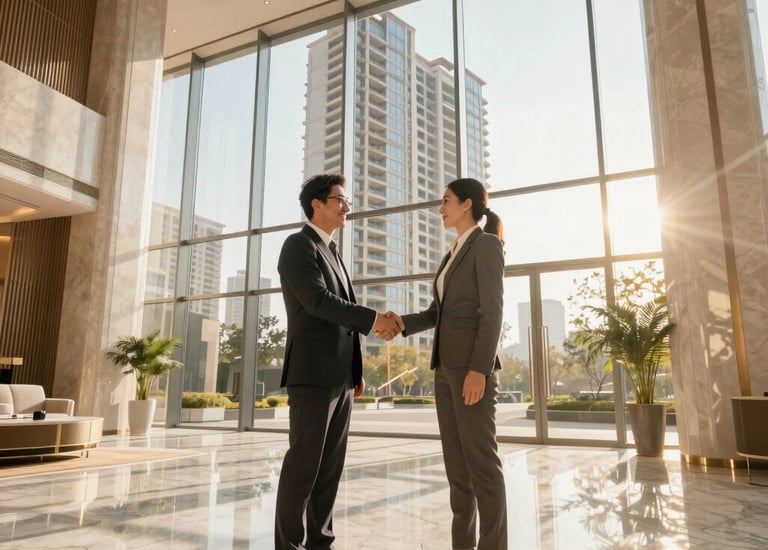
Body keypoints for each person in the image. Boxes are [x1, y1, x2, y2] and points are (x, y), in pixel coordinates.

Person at [274, 173, 401, 550]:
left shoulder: (333, 251)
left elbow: (340, 322)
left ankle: (320, 543)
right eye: (340, 199)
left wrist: (355, 371)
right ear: (317, 204)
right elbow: (318, 303)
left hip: (340, 376)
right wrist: (375, 320)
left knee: (329, 468)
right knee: (304, 466)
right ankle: (289, 545)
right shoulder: (298, 246)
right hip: (312, 375)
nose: (347, 207)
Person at [394, 177, 508, 550]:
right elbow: (437, 313)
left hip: (471, 371)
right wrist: (401, 324)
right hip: (445, 370)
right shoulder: (453, 251)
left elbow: (492, 313)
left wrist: (480, 369)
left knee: (483, 467)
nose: (440, 208)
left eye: (446, 201)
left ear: (467, 204)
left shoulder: (486, 245)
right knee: (458, 471)